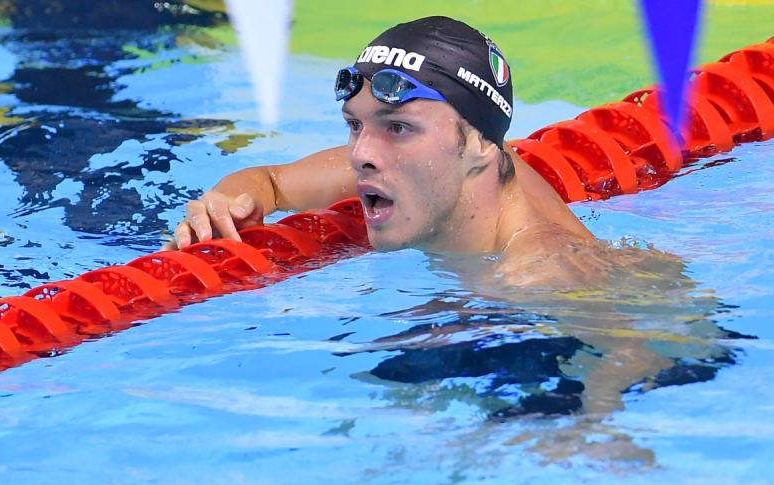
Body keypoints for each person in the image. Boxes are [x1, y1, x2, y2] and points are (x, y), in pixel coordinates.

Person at [164, 16, 608, 286]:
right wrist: (228, 201)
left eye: (398, 127)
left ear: (479, 145)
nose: (361, 155)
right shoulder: (449, 164)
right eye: (355, 124)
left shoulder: (540, 277)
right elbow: (271, 182)